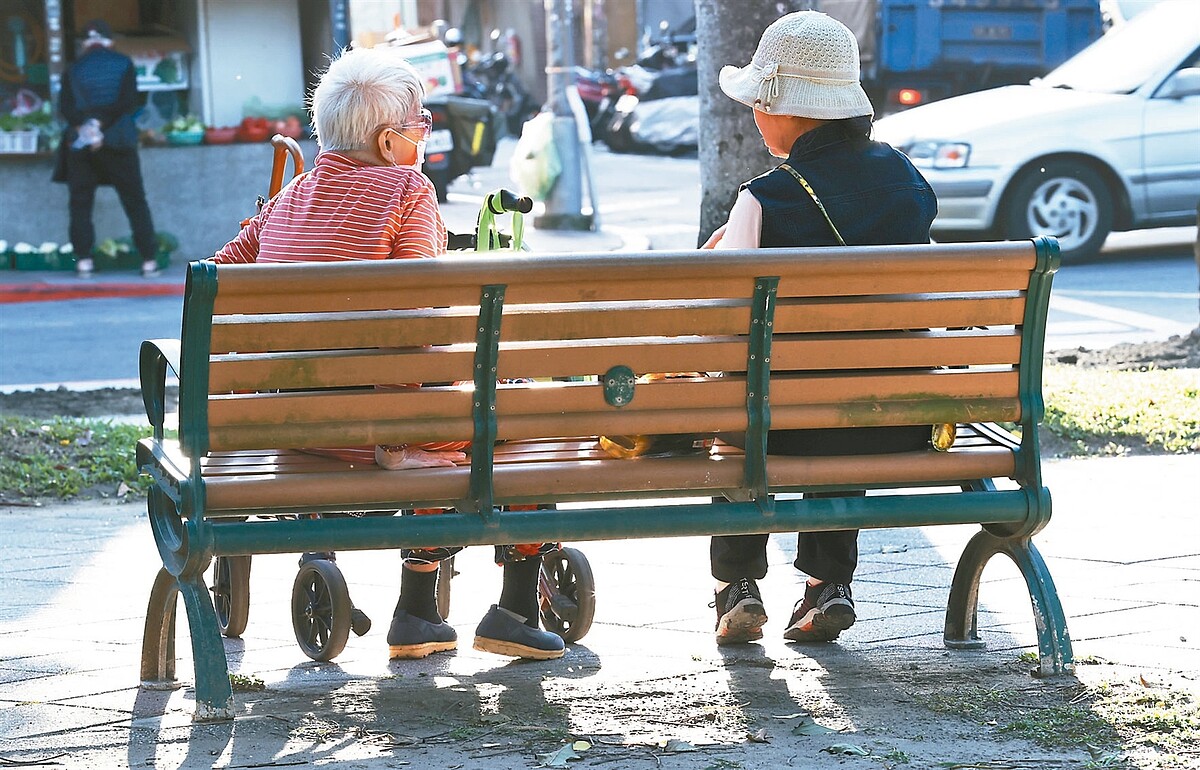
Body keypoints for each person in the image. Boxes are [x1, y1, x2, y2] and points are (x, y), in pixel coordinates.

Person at [211, 45, 565, 662]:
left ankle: (424, 616)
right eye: (420, 123)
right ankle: (506, 608)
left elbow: (218, 275)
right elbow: (422, 327)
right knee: (522, 418)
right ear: (386, 141)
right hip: (385, 436)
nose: (426, 134)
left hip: (298, 428)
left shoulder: (290, 197)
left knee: (430, 410)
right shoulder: (407, 190)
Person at [703, 11, 938, 646]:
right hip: (894, 417)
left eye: (759, 101)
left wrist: (716, 252)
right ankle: (828, 587)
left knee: (747, 418)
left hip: (781, 422)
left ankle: (738, 584)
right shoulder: (907, 180)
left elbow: (724, 318)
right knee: (844, 403)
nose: (754, 114)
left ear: (790, 111)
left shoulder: (763, 199)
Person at [59, 19, 159, 278]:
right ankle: (148, 260)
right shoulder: (124, 64)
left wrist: (87, 127)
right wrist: (102, 127)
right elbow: (129, 101)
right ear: (109, 41)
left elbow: (66, 108)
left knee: (80, 204)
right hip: (118, 142)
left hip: (81, 144)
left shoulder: (72, 69)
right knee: (135, 201)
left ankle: (84, 261)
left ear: (84, 43)